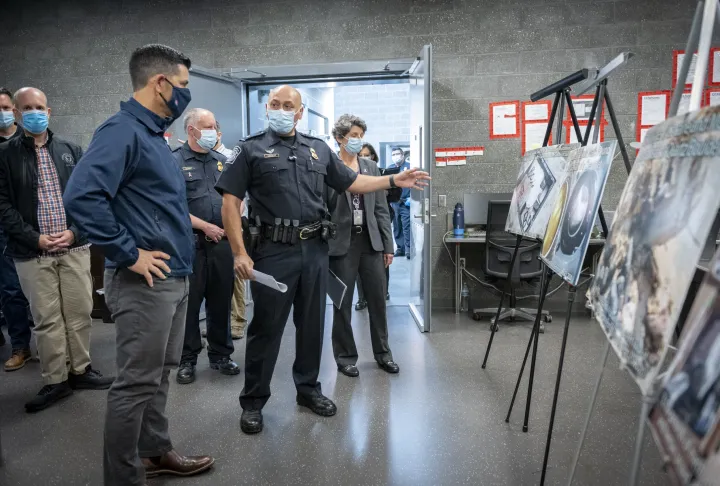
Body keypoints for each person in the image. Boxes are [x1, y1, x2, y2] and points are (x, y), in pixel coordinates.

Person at [216, 85, 429, 435]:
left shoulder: (317, 150)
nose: (281, 110)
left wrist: (393, 179)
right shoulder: (250, 148)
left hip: (315, 250)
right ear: (267, 108)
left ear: (300, 113)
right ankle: (253, 401)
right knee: (266, 330)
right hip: (273, 252)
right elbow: (229, 203)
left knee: (312, 326)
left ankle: (308, 390)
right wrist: (239, 252)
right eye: (275, 104)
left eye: (289, 106)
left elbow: (352, 182)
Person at [63, 44, 214, 485]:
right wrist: (128, 252)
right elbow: (82, 197)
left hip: (174, 276)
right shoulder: (121, 131)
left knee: (158, 376)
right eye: (183, 85)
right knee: (134, 386)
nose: (185, 93)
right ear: (160, 83)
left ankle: (154, 452)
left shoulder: (152, 135)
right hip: (143, 282)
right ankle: (123, 477)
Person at [0, 87, 114, 413]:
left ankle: (81, 370)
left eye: (40, 107)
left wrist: (75, 230)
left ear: (49, 112)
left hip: (73, 247)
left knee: (79, 313)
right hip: (32, 252)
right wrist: (33, 238)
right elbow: (3, 206)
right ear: (19, 114)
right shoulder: (5, 155)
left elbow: (87, 196)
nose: (35, 112)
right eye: (27, 108)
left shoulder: (70, 149)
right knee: (47, 319)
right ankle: (56, 380)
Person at [328, 115, 398, 378]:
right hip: (340, 244)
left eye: (360, 135)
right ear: (340, 137)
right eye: (353, 135)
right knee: (341, 303)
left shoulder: (370, 166)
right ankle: (345, 357)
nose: (357, 140)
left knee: (378, 300)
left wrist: (388, 246)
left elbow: (381, 209)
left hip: (370, 242)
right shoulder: (328, 166)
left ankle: (383, 354)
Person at [173, 108, 239, 384]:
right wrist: (205, 227)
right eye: (208, 126)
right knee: (190, 305)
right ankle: (187, 360)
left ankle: (221, 354)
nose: (214, 131)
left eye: (214, 125)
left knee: (221, 300)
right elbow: (171, 206)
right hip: (191, 244)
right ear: (191, 130)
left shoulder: (222, 161)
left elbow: (233, 201)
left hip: (222, 244)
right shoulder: (173, 162)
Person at [0, 86, 35, 368]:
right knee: (11, 289)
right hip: (5, 226)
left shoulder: (33, 141)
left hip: (35, 226)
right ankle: (20, 346)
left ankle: (56, 349)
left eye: (4, 107)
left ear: (14, 109)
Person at [354, 142, 391, 311]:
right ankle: (362, 298)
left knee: (380, 269)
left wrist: (388, 246)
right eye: (360, 154)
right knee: (358, 272)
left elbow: (382, 209)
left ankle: (383, 293)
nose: (363, 157)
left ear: (373, 156)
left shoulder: (377, 172)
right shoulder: (344, 172)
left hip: (374, 231)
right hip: (352, 234)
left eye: (366, 154)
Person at [388, 147, 410, 257]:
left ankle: (408, 249)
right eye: (393, 154)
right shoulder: (390, 168)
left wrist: (411, 197)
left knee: (406, 226)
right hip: (394, 203)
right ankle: (400, 248)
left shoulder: (408, 167)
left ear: (402, 155)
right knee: (397, 226)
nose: (396, 156)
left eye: (398, 154)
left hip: (405, 202)